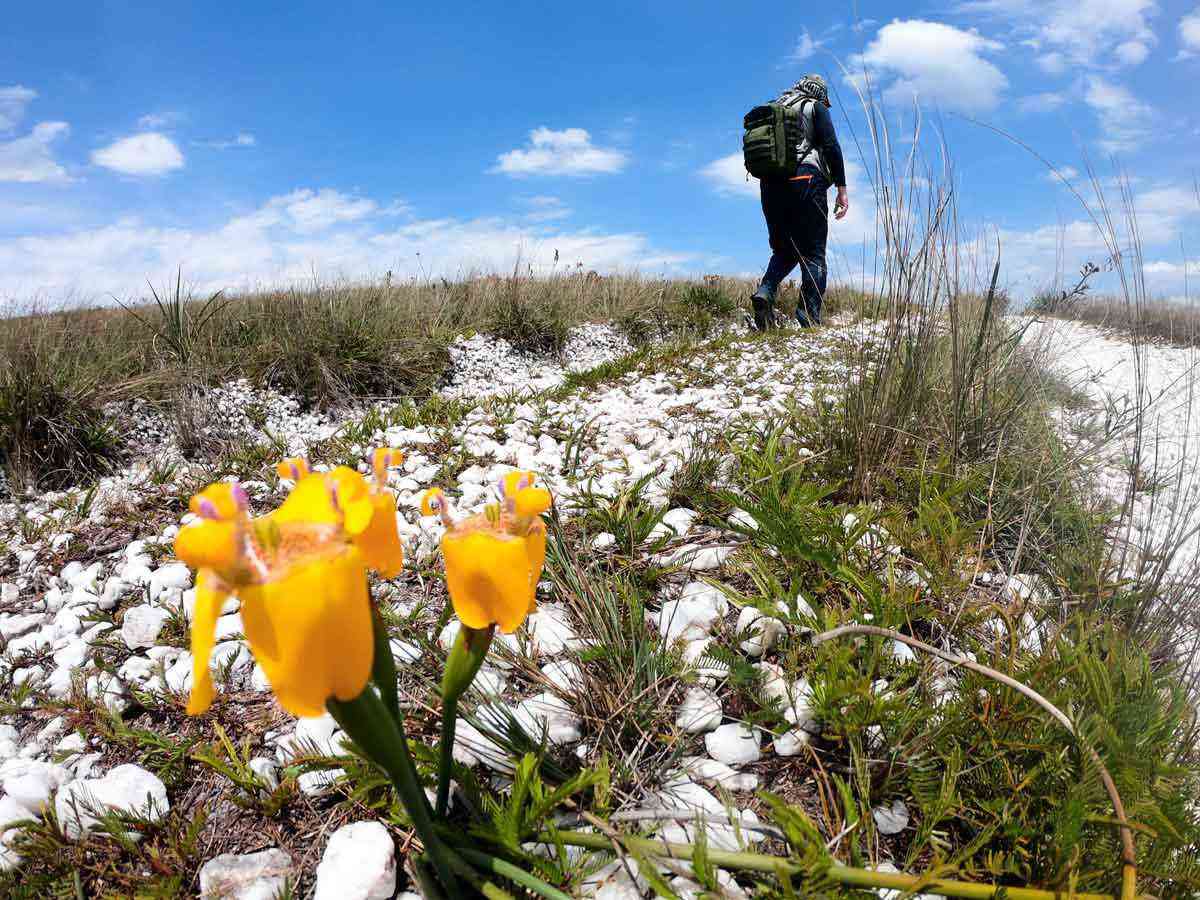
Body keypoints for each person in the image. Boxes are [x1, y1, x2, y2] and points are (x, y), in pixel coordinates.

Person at [750, 74, 849, 330]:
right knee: (814, 252)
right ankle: (809, 316)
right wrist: (841, 188)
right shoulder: (813, 106)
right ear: (819, 93)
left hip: (770, 185)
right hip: (806, 178)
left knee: (784, 250)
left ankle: (765, 291)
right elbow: (831, 145)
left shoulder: (776, 105)